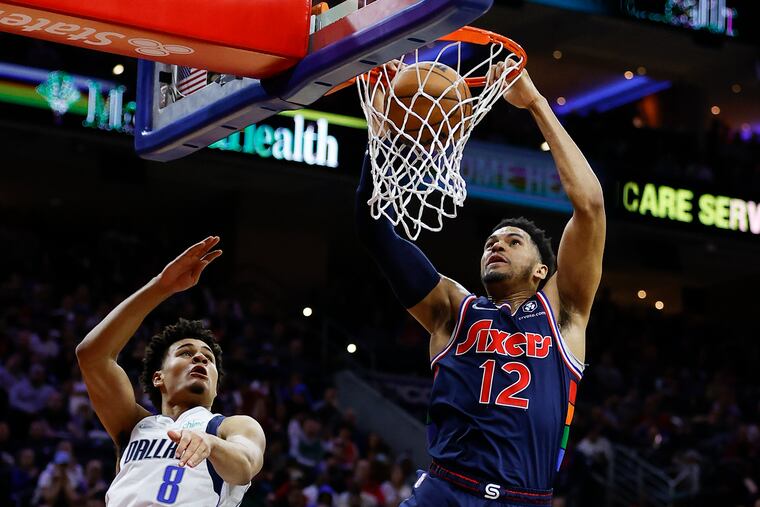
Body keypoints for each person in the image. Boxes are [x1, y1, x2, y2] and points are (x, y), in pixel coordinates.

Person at [356, 66, 605, 506]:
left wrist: (536, 105)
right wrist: (382, 132)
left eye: (513, 241)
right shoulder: (453, 309)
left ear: (541, 272)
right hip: (445, 490)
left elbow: (590, 206)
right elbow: (375, 231)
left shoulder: (563, 312)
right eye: (491, 241)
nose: (497, 245)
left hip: (524, 498)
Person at [76, 236, 266, 506]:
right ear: (158, 377)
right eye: (186, 353)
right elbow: (92, 356)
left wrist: (211, 444)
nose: (199, 357)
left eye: (208, 358)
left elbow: (246, 464)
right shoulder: (133, 426)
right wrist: (160, 287)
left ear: (216, 385)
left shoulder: (231, 426)